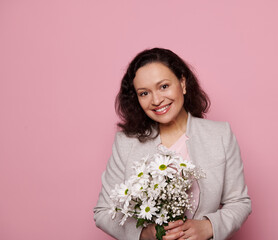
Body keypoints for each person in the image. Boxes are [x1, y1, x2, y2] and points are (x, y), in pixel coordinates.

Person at [93, 48, 251, 240]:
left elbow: (239, 202)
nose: (157, 100)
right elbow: (103, 211)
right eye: (144, 93)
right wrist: (144, 234)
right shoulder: (126, 142)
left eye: (164, 86)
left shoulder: (219, 135)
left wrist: (209, 226)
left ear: (182, 83)